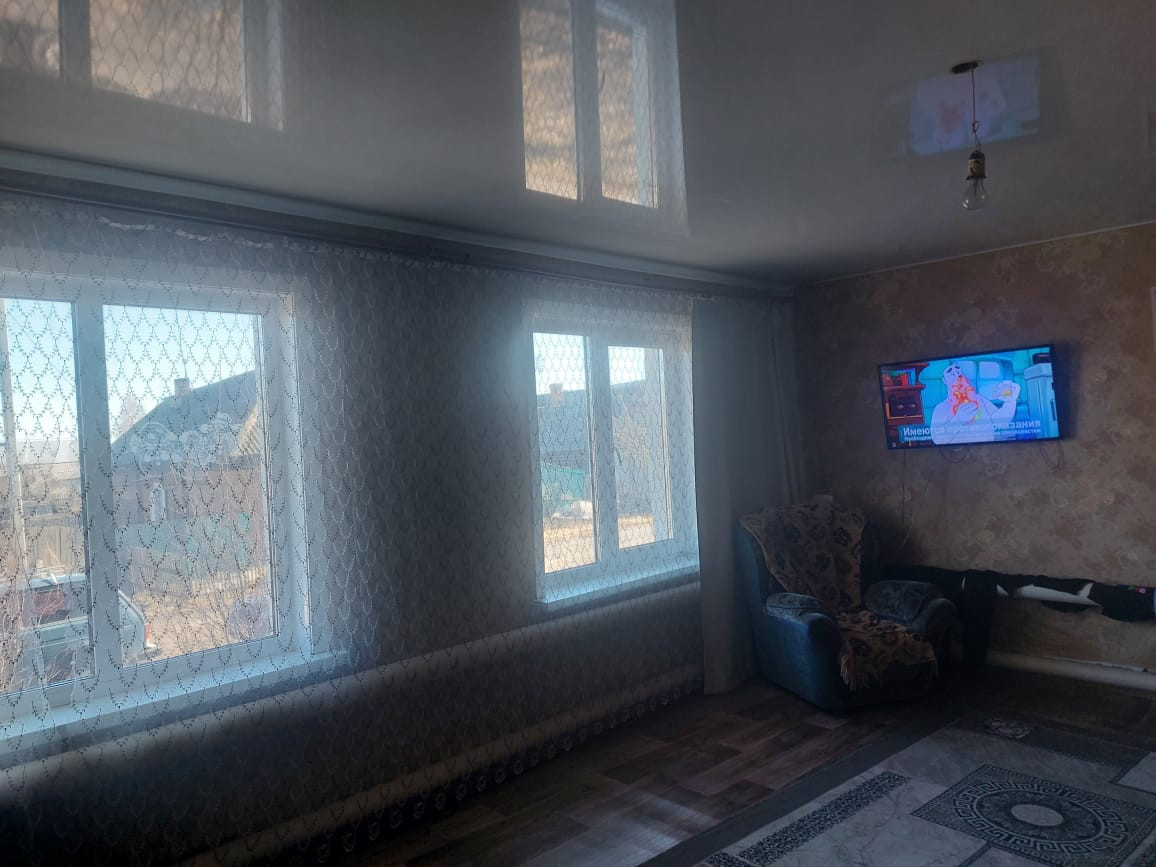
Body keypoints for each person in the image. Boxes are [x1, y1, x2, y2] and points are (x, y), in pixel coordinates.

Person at [929, 361, 1020, 444]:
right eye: (951, 373)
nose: (957, 375)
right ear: (944, 380)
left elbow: (999, 422)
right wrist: (958, 420)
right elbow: (937, 439)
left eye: (958, 371)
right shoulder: (941, 408)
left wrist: (1011, 402)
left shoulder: (980, 399)